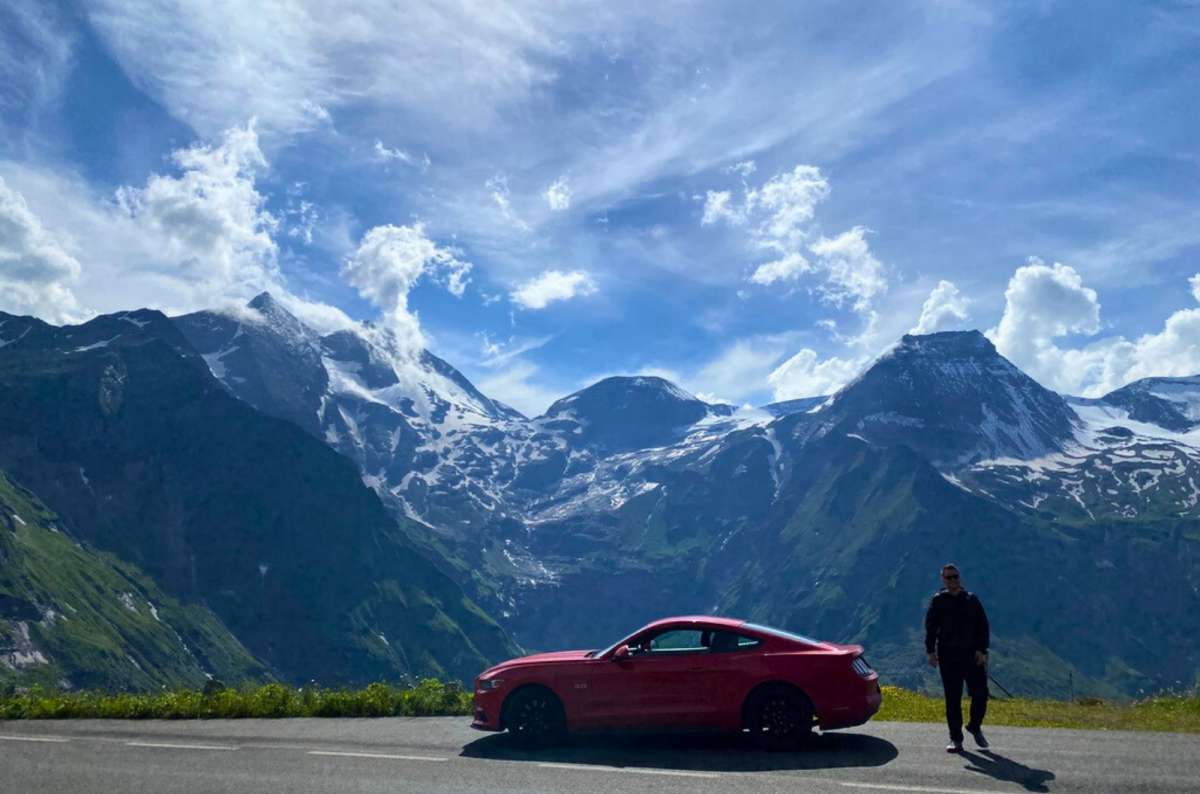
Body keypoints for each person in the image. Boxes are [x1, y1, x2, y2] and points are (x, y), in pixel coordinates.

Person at [924, 563, 990, 753]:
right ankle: (956, 739)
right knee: (952, 698)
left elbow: (983, 626)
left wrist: (982, 650)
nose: (952, 580)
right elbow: (931, 628)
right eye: (948, 577)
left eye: (955, 576)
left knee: (981, 694)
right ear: (943, 580)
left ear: (959, 577)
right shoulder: (938, 601)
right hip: (948, 656)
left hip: (972, 655)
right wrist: (930, 652)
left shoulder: (971, 600)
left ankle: (974, 726)